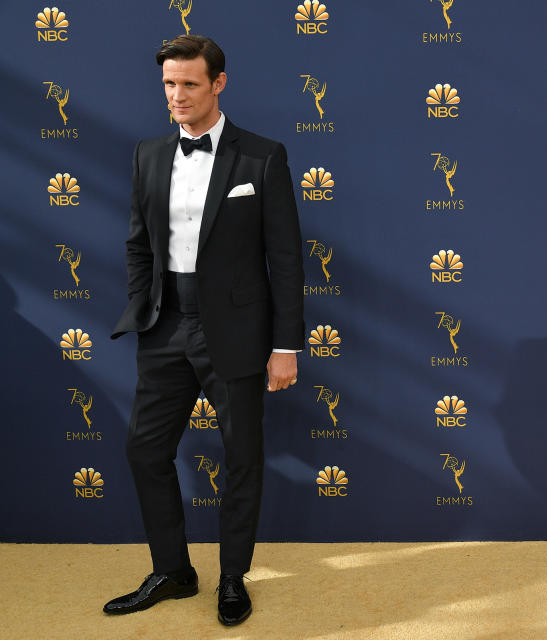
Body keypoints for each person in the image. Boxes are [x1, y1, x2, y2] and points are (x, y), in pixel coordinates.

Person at [105, 34, 304, 625]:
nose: (177, 95)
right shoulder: (148, 153)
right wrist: (145, 305)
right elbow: (138, 245)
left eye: (189, 83)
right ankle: (173, 570)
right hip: (165, 326)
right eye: (169, 84)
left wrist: (285, 345)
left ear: (218, 84)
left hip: (239, 332)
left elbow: (286, 259)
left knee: (241, 457)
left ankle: (233, 578)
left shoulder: (262, 157)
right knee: (145, 450)